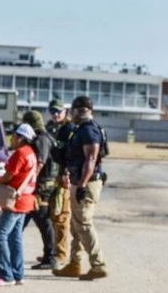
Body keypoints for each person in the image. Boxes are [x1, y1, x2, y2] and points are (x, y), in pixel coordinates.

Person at [52, 95, 108, 281]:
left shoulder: (89, 130)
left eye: (73, 111)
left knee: (83, 223)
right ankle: (74, 263)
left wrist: (82, 184)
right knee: (76, 224)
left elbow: (91, 158)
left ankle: (98, 265)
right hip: (80, 181)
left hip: (86, 183)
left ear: (79, 110)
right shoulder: (82, 129)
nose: (71, 114)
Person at [0, 124, 38, 286]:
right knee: (15, 238)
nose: (11, 139)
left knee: (0, 235)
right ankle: (17, 273)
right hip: (25, 199)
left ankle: (5, 274)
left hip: (14, 200)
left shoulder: (21, 153)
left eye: (14, 136)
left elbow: (10, 174)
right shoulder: (31, 152)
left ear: (21, 138)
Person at [21, 110, 59, 270]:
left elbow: (40, 163)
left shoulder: (41, 139)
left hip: (42, 186)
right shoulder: (46, 136)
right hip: (44, 184)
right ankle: (3, 250)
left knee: (43, 220)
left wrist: (28, 182)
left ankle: (51, 257)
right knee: (23, 217)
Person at [46, 100, 74, 265]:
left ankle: (61, 254)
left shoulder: (69, 129)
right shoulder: (49, 128)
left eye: (58, 111)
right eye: (52, 111)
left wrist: (66, 173)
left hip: (62, 177)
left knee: (61, 216)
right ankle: (52, 252)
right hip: (49, 176)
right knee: (50, 216)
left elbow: (71, 153)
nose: (55, 114)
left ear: (65, 111)